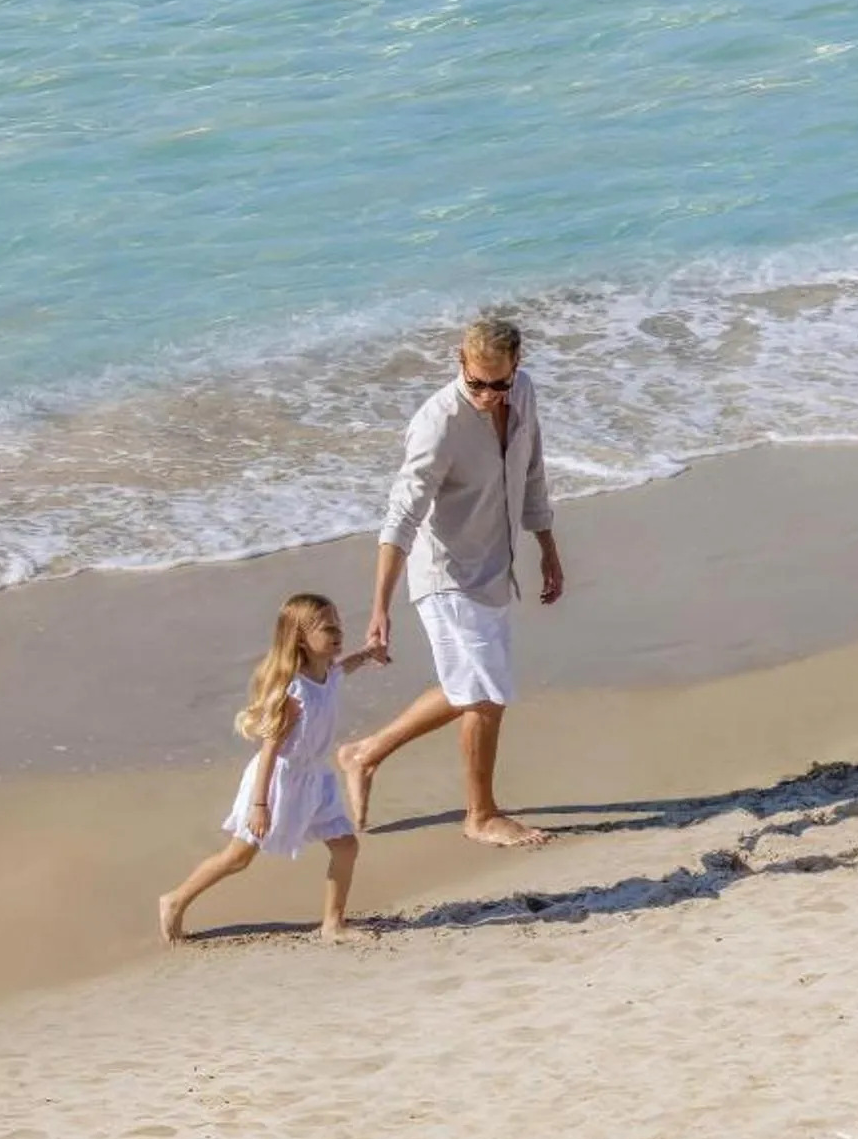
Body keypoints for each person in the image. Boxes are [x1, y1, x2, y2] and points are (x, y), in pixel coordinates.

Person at [337, 316, 564, 847]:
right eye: (476, 383)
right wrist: (379, 608)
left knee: (472, 685)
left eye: (498, 384)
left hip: (494, 567)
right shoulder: (437, 424)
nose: (486, 396)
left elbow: (533, 473)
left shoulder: (523, 395)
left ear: (517, 365)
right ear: (460, 362)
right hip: (446, 575)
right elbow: (401, 518)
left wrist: (548, 549)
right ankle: (480, 816)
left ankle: (364, 754)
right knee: (486, 693)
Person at [159, 594, 388, 943]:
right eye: (328, 629)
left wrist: (369, 653)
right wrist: (260, 805)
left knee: (346, 846)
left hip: (316, 779)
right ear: (300, 639)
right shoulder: (294, 692)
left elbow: (345, 666)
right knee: (238, 857)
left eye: (338, 626)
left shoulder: (328, 673)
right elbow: (269, 752)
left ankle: (333, 924)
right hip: (279, 782)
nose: (338, 633)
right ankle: (175, 900)